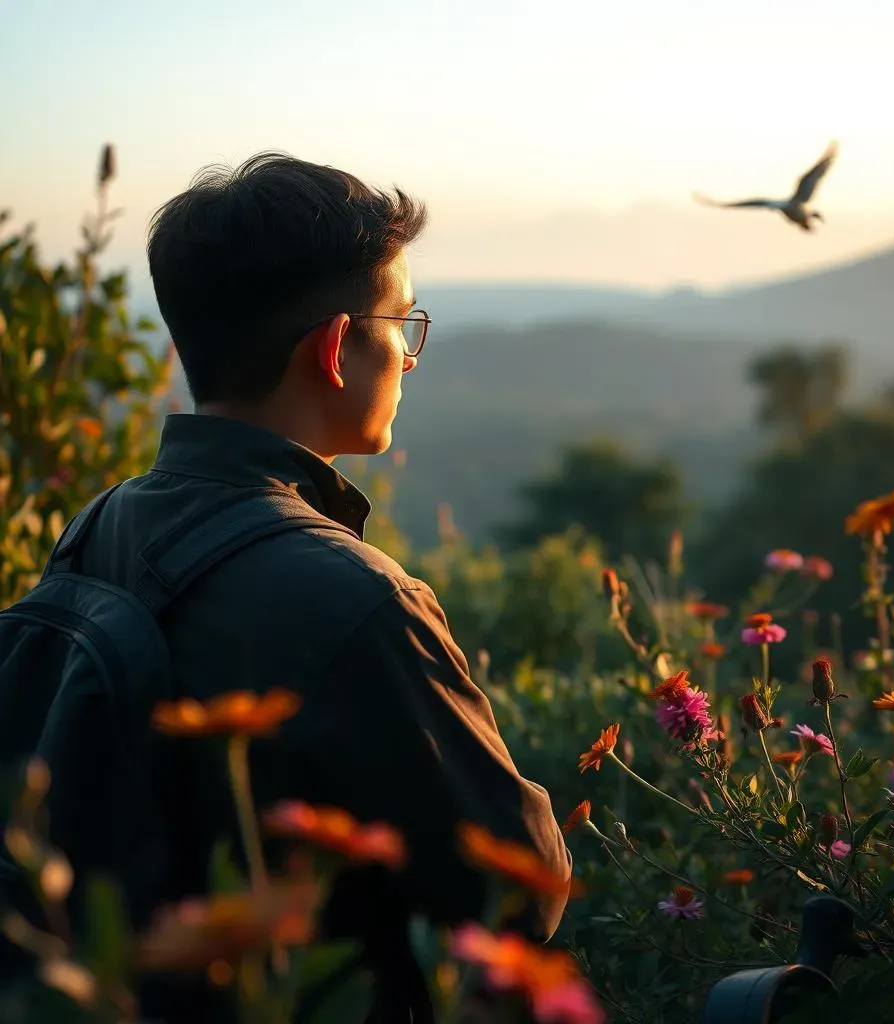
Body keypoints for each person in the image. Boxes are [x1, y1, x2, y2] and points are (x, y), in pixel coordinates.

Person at [76, 154, 571, 1021]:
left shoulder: (100, 526)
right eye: (402, 325)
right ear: (337, 348)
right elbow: (516, 890)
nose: (409, 359)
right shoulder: (360, 601)